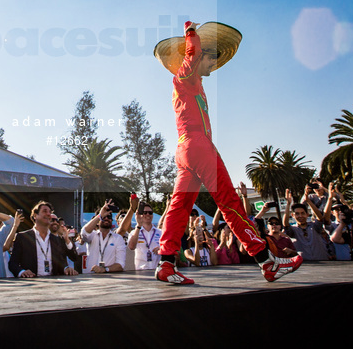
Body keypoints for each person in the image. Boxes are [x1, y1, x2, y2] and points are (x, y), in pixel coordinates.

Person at [152, 20, 302, 284]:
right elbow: (193, 54)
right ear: (202, 56)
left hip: (185, 149)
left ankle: (165, 264)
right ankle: (266, 261)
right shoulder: (184, 77)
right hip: (198, 146)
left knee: (179, 207)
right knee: (229, 202)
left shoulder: (193, 82)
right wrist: (191, 32)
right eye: (212, 57)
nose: (214, 63)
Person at [9, 201, 79, 277]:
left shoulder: (56, 240)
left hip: (53, 284)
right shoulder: (23, 237)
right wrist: (22, 272)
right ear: (35, 215)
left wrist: (66, 268)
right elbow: (13, 263)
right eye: (44, 211)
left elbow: (61, 262)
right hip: (31, 283)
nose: (48, 214)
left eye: (50, 212)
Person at [82, 202, 127, 274]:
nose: (106, 218)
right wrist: (100, 215)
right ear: (97, 221)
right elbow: (84, 233)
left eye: (109, 217)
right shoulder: (92, 235)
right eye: (103, 217)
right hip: (90, 279)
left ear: (112, 221)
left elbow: (120, 265)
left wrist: (104, 269)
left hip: (110, 279)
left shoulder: (118, 238)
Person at [127, 202, 161, 270]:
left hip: (157, 269)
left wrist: (162, 248)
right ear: (140, 214)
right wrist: (138, 225)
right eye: (145, 213)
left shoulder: (160, 232)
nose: (148, 214)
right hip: (141, 271)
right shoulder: (134, 232)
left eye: (150, 212)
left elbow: (171, 248)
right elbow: (131, 247)